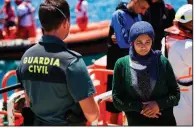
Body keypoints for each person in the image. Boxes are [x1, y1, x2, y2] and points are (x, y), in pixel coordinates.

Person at [16, 0, 99, 126]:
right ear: (65, 23)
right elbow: (92, 115)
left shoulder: (26, 57)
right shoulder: (72, 63)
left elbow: (28, 99)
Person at [112, 21, 180, 126]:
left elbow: (176, 95)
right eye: (139, 42)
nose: (143, 46)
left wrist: (158, 105)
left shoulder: (162, 62)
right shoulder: (121, 65)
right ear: (132, 42)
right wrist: (141, 107)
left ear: (152, 41)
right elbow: (117, 100)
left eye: (147, 42)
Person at [106, 0, 151, 124]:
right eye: (142, 7)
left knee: (134, 103)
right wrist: (139, 42)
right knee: (114, 104)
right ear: (135, 1)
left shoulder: (139, 16)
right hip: (117, 64)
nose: (143, 12)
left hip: (133, 65)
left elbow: (140, 40)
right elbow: (122, 43)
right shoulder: (118, 14)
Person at [161, 4, 192, 125]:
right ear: (190, 24)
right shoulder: (189, 46)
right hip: (188, 96)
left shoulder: (166, 39)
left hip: (173, 95)